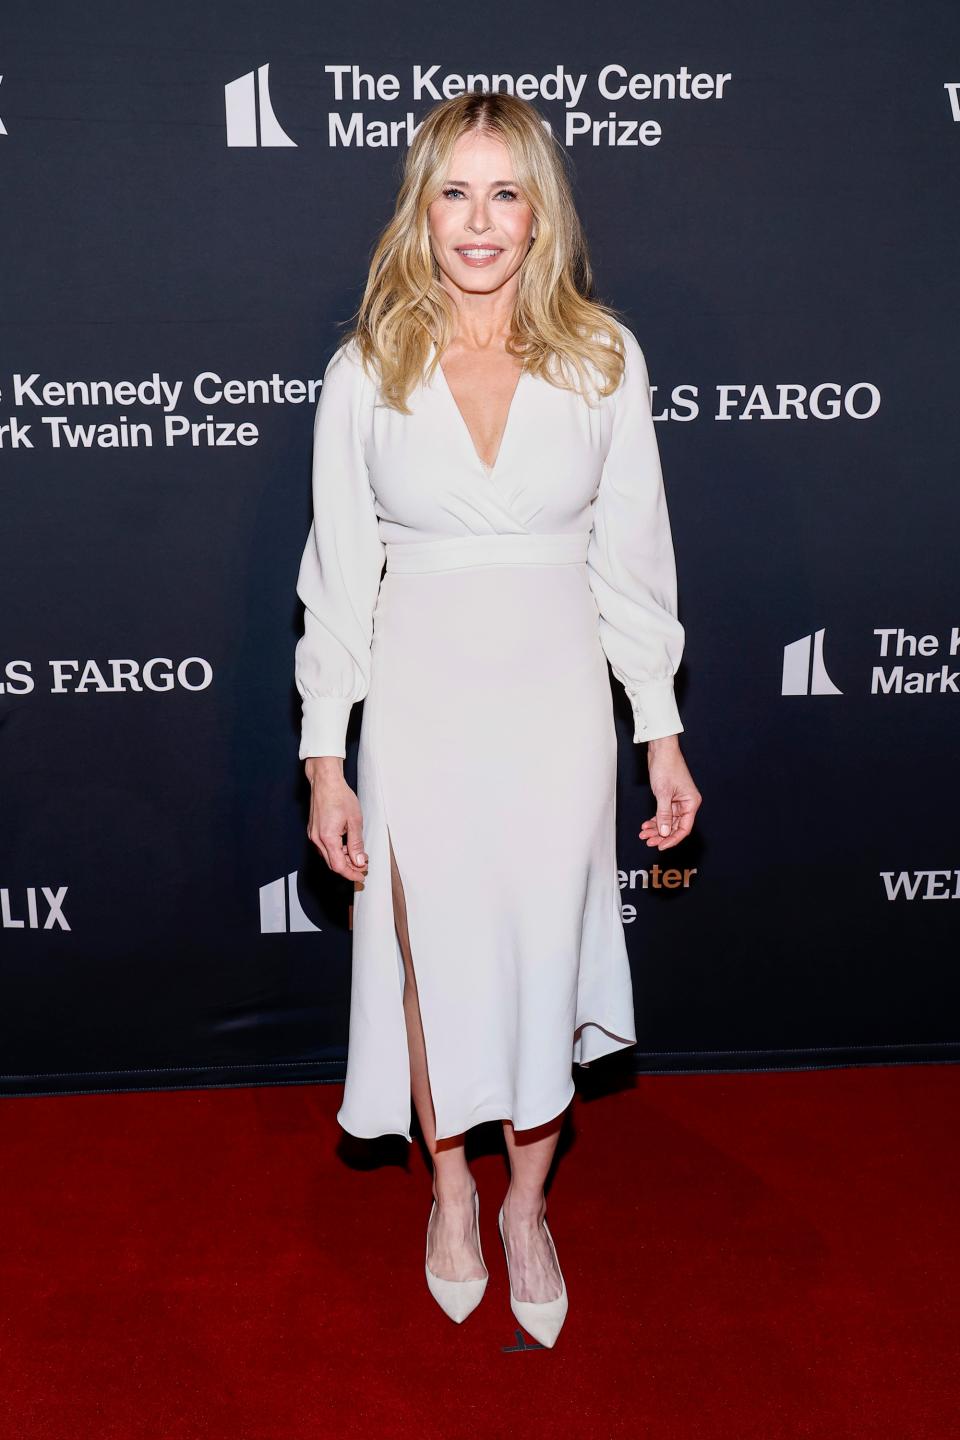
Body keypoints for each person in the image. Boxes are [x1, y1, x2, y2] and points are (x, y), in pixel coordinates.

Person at [294, 89, 702, 1348]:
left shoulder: (604, 358)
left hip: (555, 709)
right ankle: (453, 1193)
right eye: (453, 192)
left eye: (505, 192)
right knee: (429, 975)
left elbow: (633, 567)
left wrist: (661, 730)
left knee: (541, 963)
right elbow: (336, 579)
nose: (479, 221)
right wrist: (325, 756)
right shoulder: (365, 370)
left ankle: (529, 1204)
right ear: (420, 207)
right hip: (418, 710)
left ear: (541, 213)